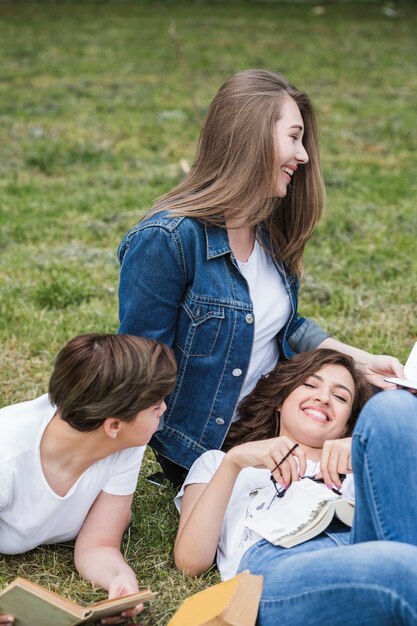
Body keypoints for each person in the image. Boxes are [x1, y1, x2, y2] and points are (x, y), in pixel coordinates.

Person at [117, 69, 403, 486]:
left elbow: (285, 326)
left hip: (280, 413)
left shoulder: (267, 227)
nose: (303, 155)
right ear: (251, 138)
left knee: (399, 414)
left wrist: (360, 361)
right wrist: (114, 487)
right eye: (294, 137)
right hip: (214, 447)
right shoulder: (170, 240)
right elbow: (139, 369)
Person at [174, 349, 417, 625]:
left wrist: (365, 447)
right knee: (400, 568)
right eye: (311, 385)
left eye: (340, 397)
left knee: (392, 407)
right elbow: (190, 562)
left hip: (362, 542)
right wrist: (235, 462)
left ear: (346, 426)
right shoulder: (221, 463)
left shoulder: (360, 465)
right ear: (280, 400)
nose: (324, 398)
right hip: (277, 563)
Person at [0, 333, 176, 626]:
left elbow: (99, 543)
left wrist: (119, 579)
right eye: (155, 406)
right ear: (114, 425)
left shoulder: (125, 445)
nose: (164, 409)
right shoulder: (8, 455)